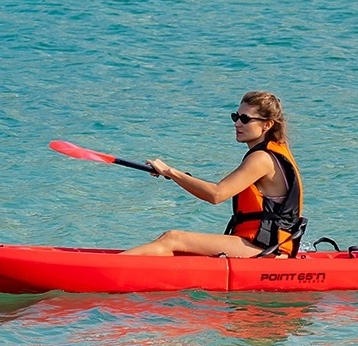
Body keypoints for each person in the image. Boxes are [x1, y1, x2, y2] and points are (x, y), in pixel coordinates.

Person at [122, 91, 306, 258]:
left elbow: (216, 194)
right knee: (176, 249)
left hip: (266, 248)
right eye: (235, 117)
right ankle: (115, 265)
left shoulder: (262, 158)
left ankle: (104, 269)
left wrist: (170, 171)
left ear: (267, 124)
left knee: (173, 238)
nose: (237, 123)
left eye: (245, 119)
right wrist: (174, 175)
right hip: (265, 244)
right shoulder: (273, 151)